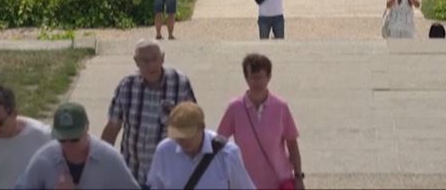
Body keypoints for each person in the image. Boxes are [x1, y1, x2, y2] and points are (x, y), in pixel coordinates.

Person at [102, 40, 197, 187]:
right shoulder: (127, 86)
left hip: (169, 176)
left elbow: (193, 125)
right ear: (136, 62)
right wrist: (104, 163)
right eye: (145, 61)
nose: (151, 65)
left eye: (155, 59)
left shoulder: (180, 83)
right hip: (133, 174)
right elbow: (112, 128)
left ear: (162, 58)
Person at [217, 54, 305, 190]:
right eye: (253, 78)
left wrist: (298, 177)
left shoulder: (281, 107)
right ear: (246, 78)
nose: (257, 83)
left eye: (261, 78)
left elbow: (292, 143)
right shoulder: (235, 108)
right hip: (244, 183)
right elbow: (219, 143)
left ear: (269, 77)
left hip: (279, 182)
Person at [15, 102, 138, 190]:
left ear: (87, 128)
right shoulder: (43, 159)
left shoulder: (110, 160)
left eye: (74, 139)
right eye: (62, 140)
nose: (68, 146)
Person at [148, 103, 254, 190]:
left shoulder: (228, 154)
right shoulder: (164, 151)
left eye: (188, 134)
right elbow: (155, 186)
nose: (183, 140)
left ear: (202, 127)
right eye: (178, 136)